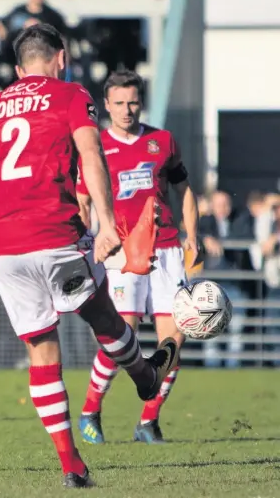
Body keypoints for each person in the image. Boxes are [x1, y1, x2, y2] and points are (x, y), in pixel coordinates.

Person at [0, 23, 179, 488]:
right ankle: (144, 376)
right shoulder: (70, 95)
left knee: (41, 348)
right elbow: (92, 155)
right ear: (62, 57)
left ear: (17, 69)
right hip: (55, 233)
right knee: (102, 312)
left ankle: (72, 465)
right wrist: (108, 224)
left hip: (5, 247)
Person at [76, 69, 199, 445]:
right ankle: (90, 410)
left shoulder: (162, 140)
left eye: (133, 102)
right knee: (121, 336)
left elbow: (184, 189)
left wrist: (193, 235)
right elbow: (82, 200)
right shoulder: (94, 146)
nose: (127, 110)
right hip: (121, 250)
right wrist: (85, 240)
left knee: (173, 341)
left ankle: (148, 422)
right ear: (106, 105)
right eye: (119, 103)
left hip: (166, 251)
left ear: (140, 102)